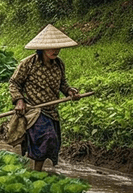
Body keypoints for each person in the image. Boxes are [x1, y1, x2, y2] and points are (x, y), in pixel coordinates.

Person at [8, 24, 80, 172]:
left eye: (57, 47)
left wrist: (69, 91)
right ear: (42, 48)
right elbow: (14, 83)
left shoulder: (59, 64)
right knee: (47, 138)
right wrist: (19, 101)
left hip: (52, 111)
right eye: (51, 47)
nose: (55, 51)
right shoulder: (28, 63)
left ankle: (34, 171)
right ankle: (36, 173)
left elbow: (62, 84)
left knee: (49, 142)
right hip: (35, 110)